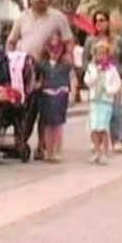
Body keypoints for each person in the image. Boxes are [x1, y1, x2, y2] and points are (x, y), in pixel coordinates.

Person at [6, 0, 74, 160]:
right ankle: (20, 140)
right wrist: (10, 58)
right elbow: (11, 41)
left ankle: (42, 146)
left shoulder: (57, 17)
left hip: (47, 67)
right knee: (25, 106)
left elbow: (68, 41)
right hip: (25, 69)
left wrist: (66, 59)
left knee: (46, 106)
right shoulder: (22, 18)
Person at [36, 31, 75, 163]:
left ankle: (57, 150)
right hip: (46, 93)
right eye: (51, 47)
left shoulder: (66, 63)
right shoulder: (42, 64)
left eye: (57, 47)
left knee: (58, 123)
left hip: (61, 93)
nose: (54, 51)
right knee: (47, 123)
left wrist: (72, 93)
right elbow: (37, 79)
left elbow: (72, 77)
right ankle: (49, 150)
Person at [84, 41, 122, 164]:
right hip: (94, 101)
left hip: (105, 101)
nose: (100, 56)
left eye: (103, 54)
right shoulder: (91, 68)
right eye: (98, 54)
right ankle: (96, 151)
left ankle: (105, 151)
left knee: (103, 127)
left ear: (107, 55)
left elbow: (117, 84)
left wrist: (110, 90)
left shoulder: (112, 69)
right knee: (94, 127)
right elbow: (87, 81)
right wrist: (95, 74)